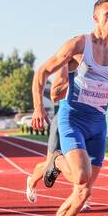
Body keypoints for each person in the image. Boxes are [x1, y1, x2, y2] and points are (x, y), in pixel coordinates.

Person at [31, 0, 108, 216]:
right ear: (95, 17)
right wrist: (38, 108)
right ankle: (57, 160)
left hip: (98, 124)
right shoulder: (79, 44)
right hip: (73, 119)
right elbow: (41, 72)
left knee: (83, 193)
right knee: (81, 176)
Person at [26, 63, 70, 203]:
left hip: (85, 121)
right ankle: (31, 182)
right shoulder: (67, 64)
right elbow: (54, 95)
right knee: (49, 165)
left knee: (82, 162)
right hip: (64, 119)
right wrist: (75, 84)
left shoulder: (98, 62)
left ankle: (82, 195)